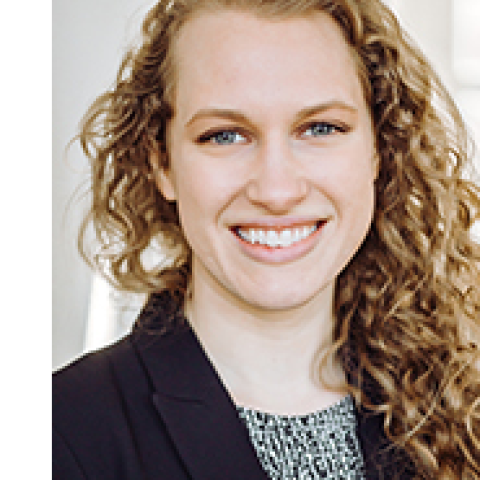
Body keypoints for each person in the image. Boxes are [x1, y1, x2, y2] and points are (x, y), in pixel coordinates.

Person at [52, 0, 480, 478]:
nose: (277, 191)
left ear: (379, 151)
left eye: (320, 128)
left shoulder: (457, 413)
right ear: (162, 164)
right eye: (225, 135)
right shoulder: (57, 435)